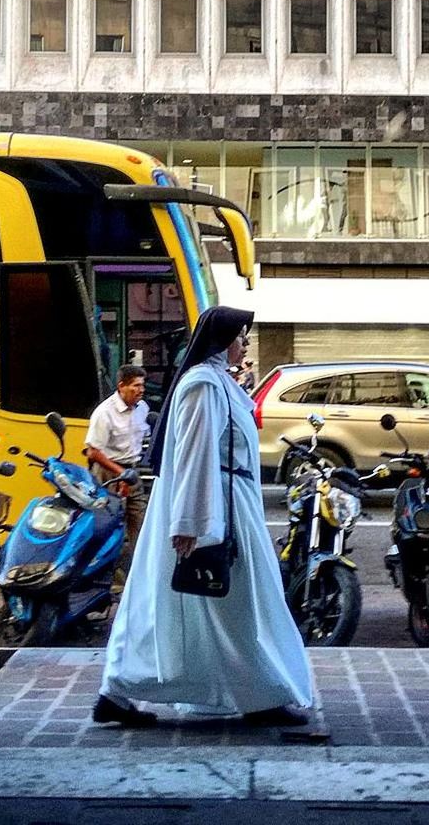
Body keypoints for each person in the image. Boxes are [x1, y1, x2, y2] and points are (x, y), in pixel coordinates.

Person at [93, 306, 314, 728]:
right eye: (240, 337)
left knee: (190, 605)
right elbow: (194, 454)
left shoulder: (218, 383)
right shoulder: (202, 385)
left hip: (229, 503)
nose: (245, 344)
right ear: (221, 340)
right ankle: (260, 695)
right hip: (215, 509)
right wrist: (192, 524)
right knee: (235, 604)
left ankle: (122, 692)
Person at [84, 364, 150, 573]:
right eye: (135, 386)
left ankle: (136, 573)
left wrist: (129, 473)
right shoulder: (104, 413)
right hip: (108, 472)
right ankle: (106, 575)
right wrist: (120, 473)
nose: (140, 390)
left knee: (139, 521)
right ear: (121, 386)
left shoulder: (143, 408)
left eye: (142, 386)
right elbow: (93, 451)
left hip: (132, 470)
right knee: (109, 525)